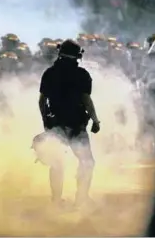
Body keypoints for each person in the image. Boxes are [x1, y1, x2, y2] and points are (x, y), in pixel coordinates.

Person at [37, 39, 101, 207]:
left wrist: (45, 122)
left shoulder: (50, 73)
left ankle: (56, 200)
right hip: (76, 124)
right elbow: (86, 99)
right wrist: (95, 120)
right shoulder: (82, 75)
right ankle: (82, 198)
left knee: (57, 164)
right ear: (78, 56)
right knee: (87, 162)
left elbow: (42, 101)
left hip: (56, 125)